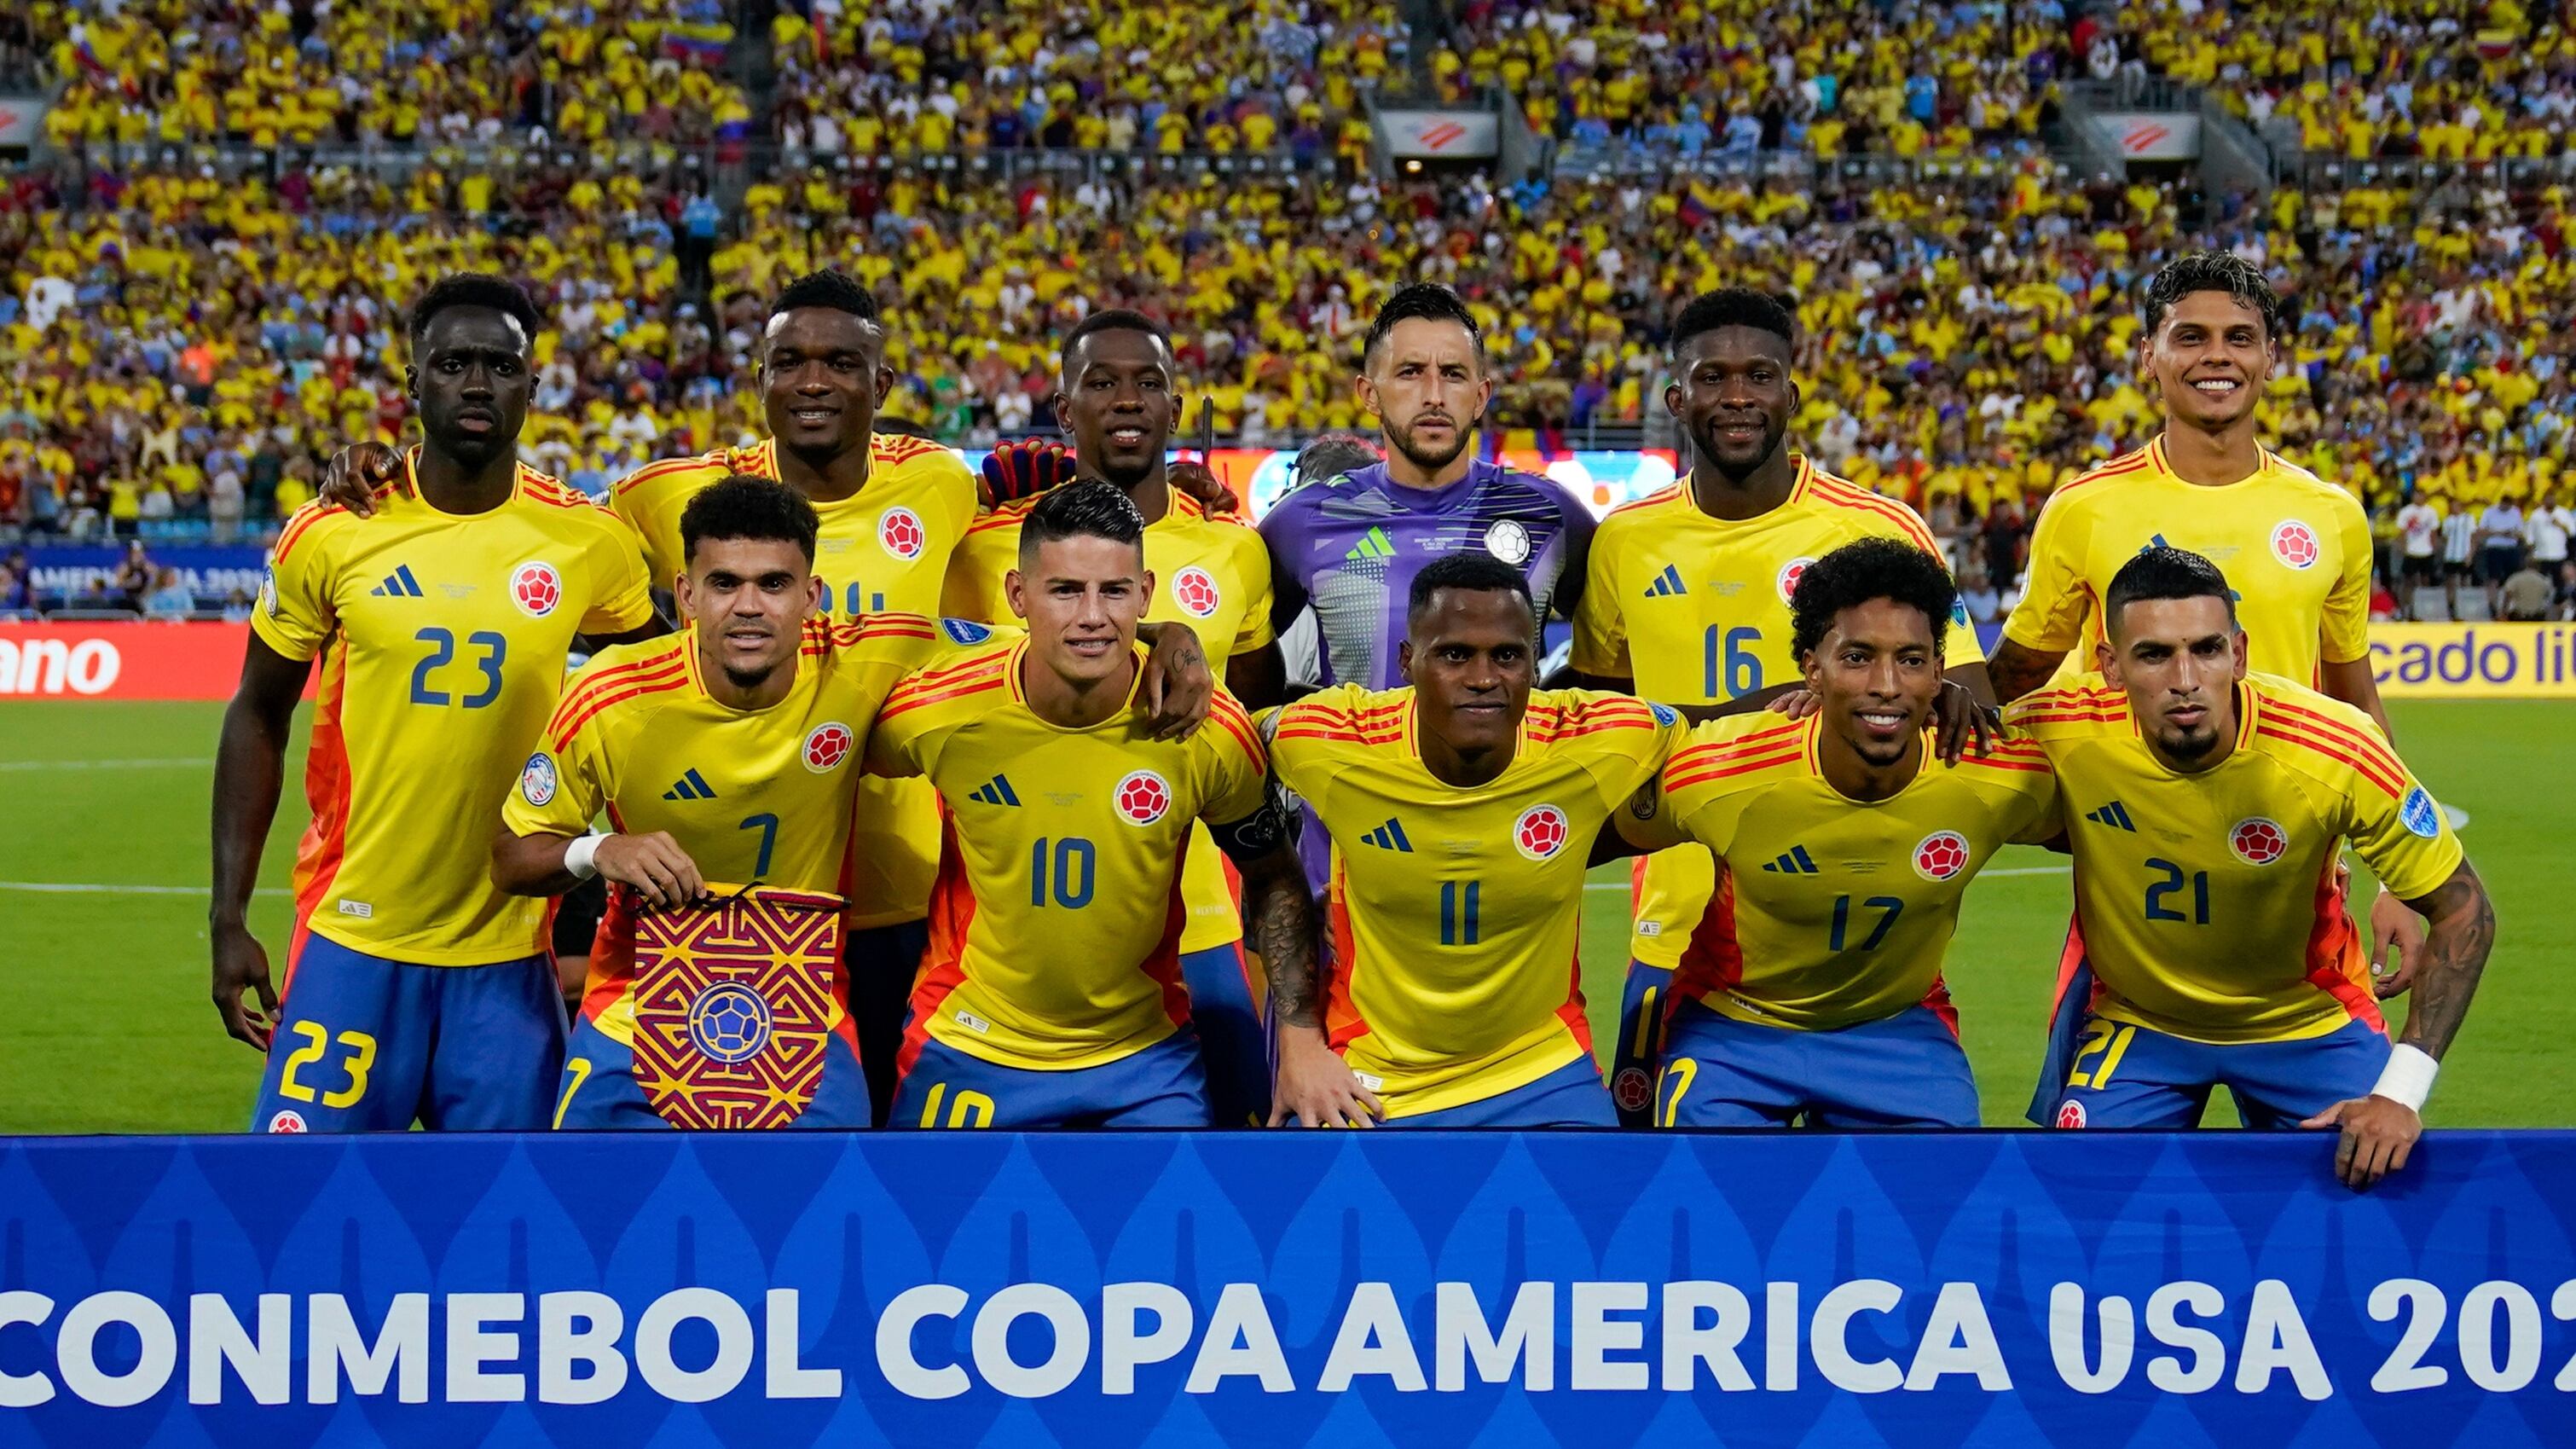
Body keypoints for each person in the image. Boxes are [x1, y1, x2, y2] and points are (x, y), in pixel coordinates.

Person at [211, 273, 658, 1133]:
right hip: (354, 937)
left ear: (534, 384)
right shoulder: (338, 528)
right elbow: (256, 711)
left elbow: (657, 702)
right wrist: (227, 917)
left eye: (501, 364)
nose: (478, 382)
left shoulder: (590, 543)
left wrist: (601, 903)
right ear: (413, 383)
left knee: (514, 1231)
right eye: (453, 362)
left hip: (507, 956)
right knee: (296, 1218)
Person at [1567, 287, 1994, 1125]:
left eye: (1759, 375)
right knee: (1676, 1186)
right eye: (1713, 377)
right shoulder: (1625, 539)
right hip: (1676, 926)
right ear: (1676, 398)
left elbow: (1971, 699)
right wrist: (1755, 710)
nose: (1737, 396)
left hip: (1851, 916)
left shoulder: (1876, 527)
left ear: (1792, 395)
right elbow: (1596, 728)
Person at [1984, 252, 2423, 990]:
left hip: (2293, 869)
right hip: (2134, 877)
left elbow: (2353, 701)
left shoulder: (2331, 516)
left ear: (2270, 359)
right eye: (2189, 337)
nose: (2215, 356)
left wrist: (2404, 878)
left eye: (2238, 338)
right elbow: (2011, 679)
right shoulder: (2084, 508)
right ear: (2148, 357)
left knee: (2325, 1104)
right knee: (2123, 1100)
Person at [495, 476, 973, 1128]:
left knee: (826, 1208)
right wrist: (599, 847)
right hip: (637, 1003)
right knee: (589, 1208)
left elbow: (1037, 645)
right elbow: (511, 856)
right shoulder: (611, 695)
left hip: (802, 1005)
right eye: (724, 584)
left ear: (812, 597)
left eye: (773, 584)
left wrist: (1163, 633)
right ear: (687, 596)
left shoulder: (873, 655)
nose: (749, 606)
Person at [2015, 548, 2496, 1190]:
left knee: (2373, 1190)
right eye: (2153, 654)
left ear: (2239, 654)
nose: (2185, 677)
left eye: (2206, 650)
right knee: (2079, 1194)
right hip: (2142, 1022)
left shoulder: (2333, 748)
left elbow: (2465, 911)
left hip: (2306, 1022)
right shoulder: (2056, 730)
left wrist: (2401, 1092)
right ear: (2109, 666)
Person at [868, 483, 1312, 1128]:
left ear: (1144, 594)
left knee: (1179, 1227)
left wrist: (1299, 1040)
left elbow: (1274, 874)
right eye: (1065, 590)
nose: (1090, 616)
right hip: (969, 1045)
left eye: (1112, 591)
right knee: (927, 1227)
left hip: (1144, 1059)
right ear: (1018, 595)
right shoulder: (936, 708)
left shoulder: (1206, 728)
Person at [945, 310, 1282, 1126]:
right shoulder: (988, 545)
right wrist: (1161, 632)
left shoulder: (1235, 548)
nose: (1126, 401)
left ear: (1176, 406)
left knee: (1221, 1178)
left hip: (1201, 923)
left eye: (1147, 384)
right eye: (1101, 383)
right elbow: (958, 690)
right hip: (1018, 936)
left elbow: (1252, 722)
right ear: (1064, 412)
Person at [1611, 539, 2058, 1127]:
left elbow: (2111, 832)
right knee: (1709, 1202)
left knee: (1939, 1203)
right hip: (1735, 1028)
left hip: (1894, 1028)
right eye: (1856, 657)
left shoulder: (2000, 775)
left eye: (1911, 659)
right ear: (1810, 669)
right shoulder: (1721, 771)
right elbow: (1588, 837)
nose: (1886, 684)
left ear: (1938, 674)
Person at [1266, 553, 1685, 1127]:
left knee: (1600, 1205)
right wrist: (1299, 1045)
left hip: (1542, 1066)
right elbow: (1224, 735)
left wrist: (1812, 709)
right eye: (1454, 654)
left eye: (1506, 655)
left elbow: (1718, 734)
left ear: (1535, 668)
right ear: (1407, 662)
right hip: (1373, 1070)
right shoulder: (1331, 739)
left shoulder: (1601, 735)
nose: (1484, 678)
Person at [1257, 282, 1596, 901]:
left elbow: (1609, 666)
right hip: (1344, 882)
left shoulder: (1550, 516)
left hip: (1508, 863)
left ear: (1481, 395)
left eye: (1453, 374)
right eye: (1410, 372)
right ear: (1368, 392)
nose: (1433, 394)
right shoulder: (1302, 522)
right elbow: (1242, 668)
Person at [2393, 490, 2440, 622]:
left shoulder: (2431, 512)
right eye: (2416, 495)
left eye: (2420, 495)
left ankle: (2425, 609)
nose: (2418, 497)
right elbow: (2401, 532)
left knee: (2426, 580)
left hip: (2426, 551)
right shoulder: (2406, 512)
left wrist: (2433, 547)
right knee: (2408, 582)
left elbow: (2434, 531)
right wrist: (2404, 548)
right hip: (2411, 552)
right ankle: (2406, 609)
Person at [2479, 495, 2527, 621]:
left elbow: (2521, 533)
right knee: (2493, 579)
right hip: (2494, 548)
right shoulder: (2489, 512)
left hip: (2510, 548)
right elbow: (2482, 531)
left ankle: (2509, 608)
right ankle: (2492, 607)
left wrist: (2512, 534)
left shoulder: (2515, 512)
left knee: (2512, 579)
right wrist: (2499, 533)